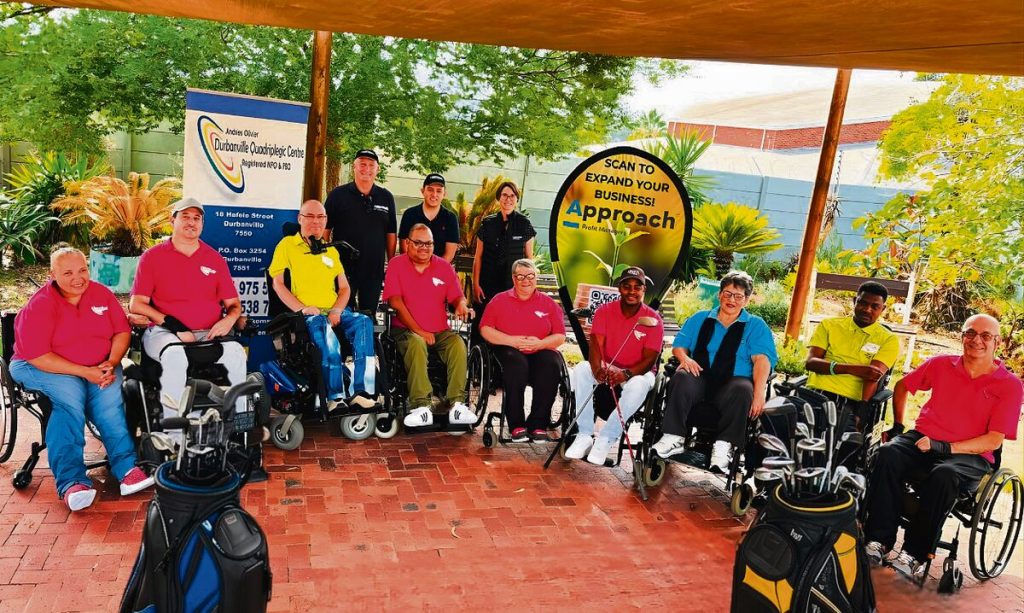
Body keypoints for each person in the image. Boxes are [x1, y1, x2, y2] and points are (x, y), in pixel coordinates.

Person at [863, 314, 1022, 580]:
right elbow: (903, 386)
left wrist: (944, 447)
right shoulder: (941, 365)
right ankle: (878, 540)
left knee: (944, 475)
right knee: (886, 454)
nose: (976, 340)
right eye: (970, 333)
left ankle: (914, 554)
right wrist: (899, 425)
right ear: (962, 336)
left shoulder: (1009, 385)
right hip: (924, 438)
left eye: (985, 336)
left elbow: (993, 440)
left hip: (970, 455)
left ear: (998, 342)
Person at [9, 246, 154, 511]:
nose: (78, 278)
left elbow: (121, 332)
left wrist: (110, 362)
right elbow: (38, 356)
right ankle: (71, 481)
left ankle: (126, 468)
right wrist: (85, 372)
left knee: (109, 404)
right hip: (40, 366)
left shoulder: (101, 293)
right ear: (52, 274)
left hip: (97, 366)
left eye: (82, 270)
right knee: (69, 402)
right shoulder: (41, 304)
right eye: (68, 272)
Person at [129, 197, 246, 419]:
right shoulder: (152, 257)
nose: (191, 222)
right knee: (175, 355)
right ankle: (173, 432)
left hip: (208, 333)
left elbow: (233, 305)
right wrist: (174, 325)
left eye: (197, 218)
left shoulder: (215, 259)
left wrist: (228, 320)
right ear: (172, 221)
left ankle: (239, 424)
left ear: (202, 224)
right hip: (164, 333)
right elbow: (137, 303)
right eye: (185, 217)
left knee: (237, 354)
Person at [650, 271, 777, 473]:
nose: (731, 300)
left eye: (738, 296)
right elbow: (680, 345)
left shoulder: (756, 326)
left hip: (732, 385)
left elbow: (762, 360)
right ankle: (673, 437)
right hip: (700, 377)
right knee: (682, 376)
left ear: (746, 300)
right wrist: (685, 358)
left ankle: (724, 446)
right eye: (727, 294)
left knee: (744, 388)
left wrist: (759, 393)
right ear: (719, 295)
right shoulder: (700, 318)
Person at [269, 200, 378, 410]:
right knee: (323, 327)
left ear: (326, 220)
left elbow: (345, 288)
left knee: (364, 321)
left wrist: (337, 309)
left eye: (321, 217)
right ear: (300, 219)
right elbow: (278, 283)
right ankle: (334, 396)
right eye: (310, 216)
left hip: (334, 310)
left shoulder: (330, 250)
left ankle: (362, 391)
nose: (316, 222)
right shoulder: (287, 246)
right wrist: (302, 308)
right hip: (309, 313)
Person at [564, 266, 664, 465]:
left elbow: (650, 360)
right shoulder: (604, 311)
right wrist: (597, 369)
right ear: (620, 288)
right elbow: (595, 345)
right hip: (608, 364)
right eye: (627, 286)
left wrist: (626, 374)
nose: (632, 291)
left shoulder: (653, 319)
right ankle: (584, 434)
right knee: (583, 369)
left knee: (639, 385)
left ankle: (606, 438)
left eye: (637, 287)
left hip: (637, 372)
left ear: (644, 290)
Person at [383, 223, 476, 427]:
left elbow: (457, 297)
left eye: (429, 244)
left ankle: (457, 405)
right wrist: (420, 331)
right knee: (416, 343)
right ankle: (421, 406)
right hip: (406, 330)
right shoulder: (397, 265)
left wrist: (461, 306)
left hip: (440, 330)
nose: (424, 247)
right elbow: (395, 302)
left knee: (458, 344)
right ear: (407, 243)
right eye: (419, 243)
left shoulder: (443, 266)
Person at [479, 259, 566, 442]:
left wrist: (540, 344)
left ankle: (538, 424)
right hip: (509, 350)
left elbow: (559, 336)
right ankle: (516, 425)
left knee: (551, 363)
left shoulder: (549, 303)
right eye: (520, 276)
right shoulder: (499, 300)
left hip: (539, 350)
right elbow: (485, 329)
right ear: (513, 278)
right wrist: (512, 341)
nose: (526, 280)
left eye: (530, 276)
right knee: (516, 363)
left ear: (536, 277)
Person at [804, 281, 900, 428]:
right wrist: (852, 369)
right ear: (855, 301)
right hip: (815, 394)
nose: (867, 309)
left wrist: (862, 411)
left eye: (875, 306)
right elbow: (811, 363)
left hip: (850, 402)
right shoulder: (829, 325)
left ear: (883, 309)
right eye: (862, 303)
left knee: (833, 440)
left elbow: (871, 376)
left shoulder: (888, 339)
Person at [324, 149, 398, 314]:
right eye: (362, 164)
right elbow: (325, 231)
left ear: (377, 169)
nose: (366, 169)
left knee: (368, 315)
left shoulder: (386, 197)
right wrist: (325, 262)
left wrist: (392, 263)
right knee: (342, 314)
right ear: (354, 167)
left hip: (374, 268)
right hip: (343, 268)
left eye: (371, 165)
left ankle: (366, 340)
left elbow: (391, 234)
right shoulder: (337, 195)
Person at [471, 181, 536, 311]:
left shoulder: (524, 224)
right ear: (498, 198)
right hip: (487, 284)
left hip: (513, 285)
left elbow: (529, 258)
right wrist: (476, 285)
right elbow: (478, 257)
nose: (508, 199)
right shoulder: (488, 223)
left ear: (517, 199)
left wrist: (529, 287)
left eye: (512, 196)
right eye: (504, 195)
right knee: (483, 322)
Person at [398, 173, 459, 262]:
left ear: (444, 194)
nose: (434, 194)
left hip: (438, 271)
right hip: (411, 269)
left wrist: (432, 272)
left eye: (439, 191)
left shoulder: (450, 218)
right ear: (423, 191)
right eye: (430, 190)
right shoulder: (410, 214)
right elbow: (404, 248)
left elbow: (449, 254)